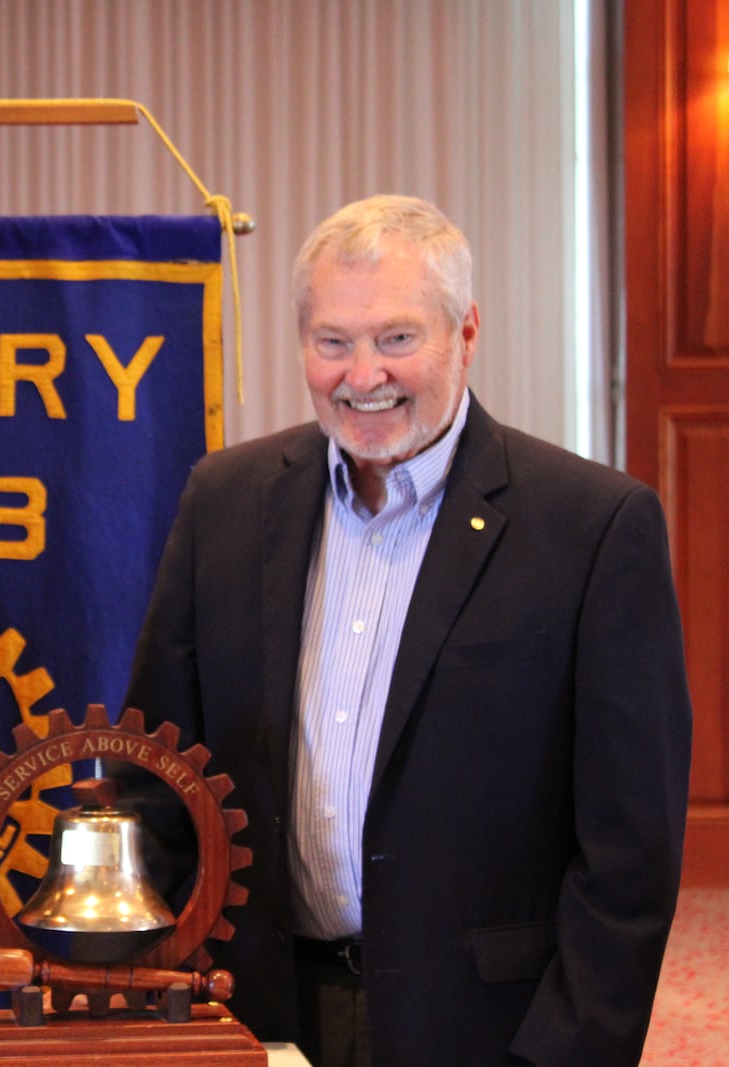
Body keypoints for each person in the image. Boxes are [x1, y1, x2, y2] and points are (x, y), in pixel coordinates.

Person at [124, 195, 692, 1066]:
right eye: (332, 342)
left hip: (484, 1033)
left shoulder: (594, 527)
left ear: (466, 333)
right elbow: (155, 780)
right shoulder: (225, 505)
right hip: (251, 1019)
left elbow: (629, 856)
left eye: (396, 338)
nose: (362, 375)